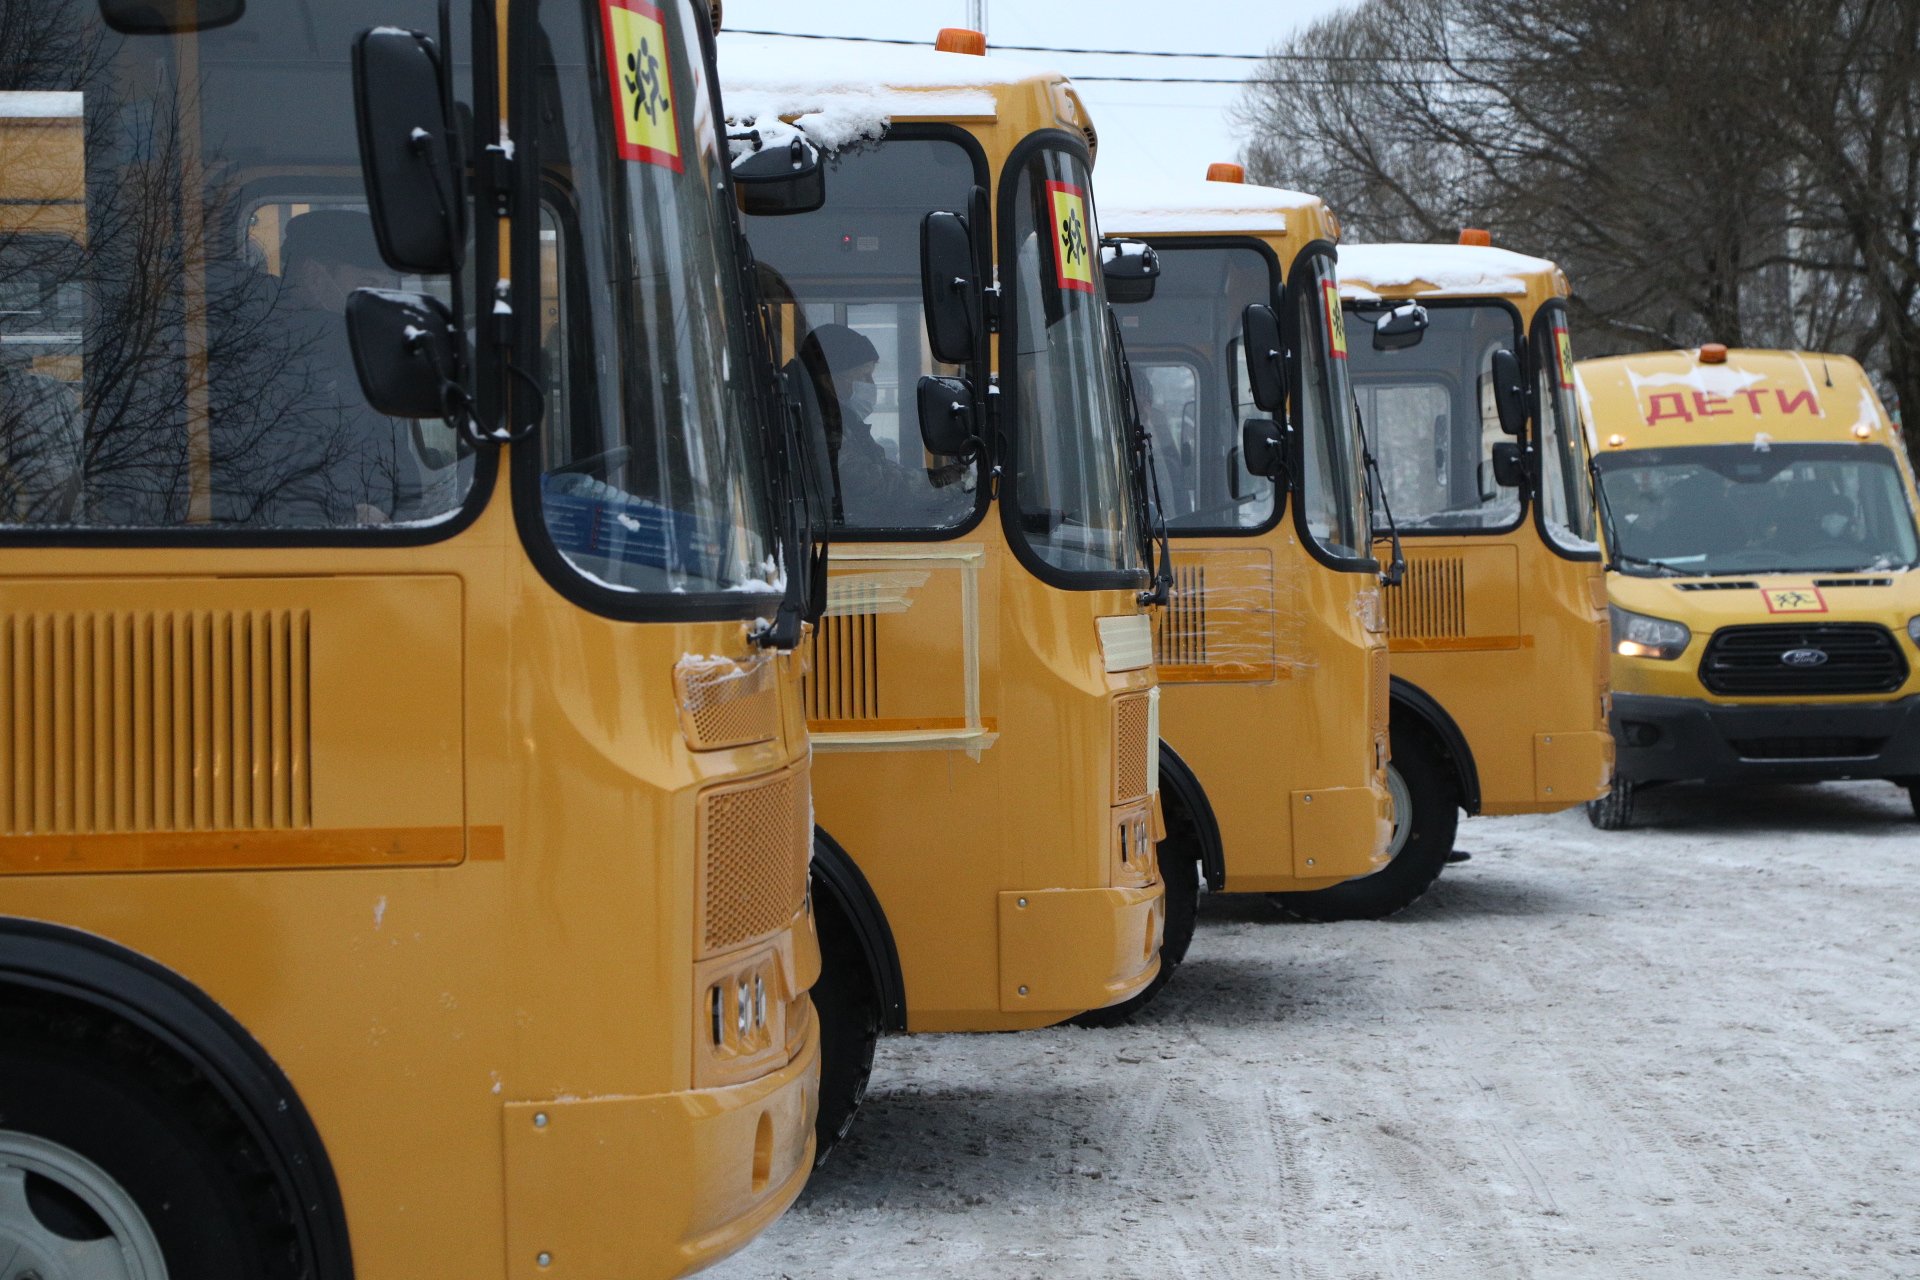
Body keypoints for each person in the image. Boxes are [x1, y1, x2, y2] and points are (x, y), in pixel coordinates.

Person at [797, 322, 967, 529]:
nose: (871, 384)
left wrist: (947, 476)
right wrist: (955, 483)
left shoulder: (835, 417)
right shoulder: (819, 426)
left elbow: (883, 471)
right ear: (828, 380)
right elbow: (874, 484)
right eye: (863, 375)